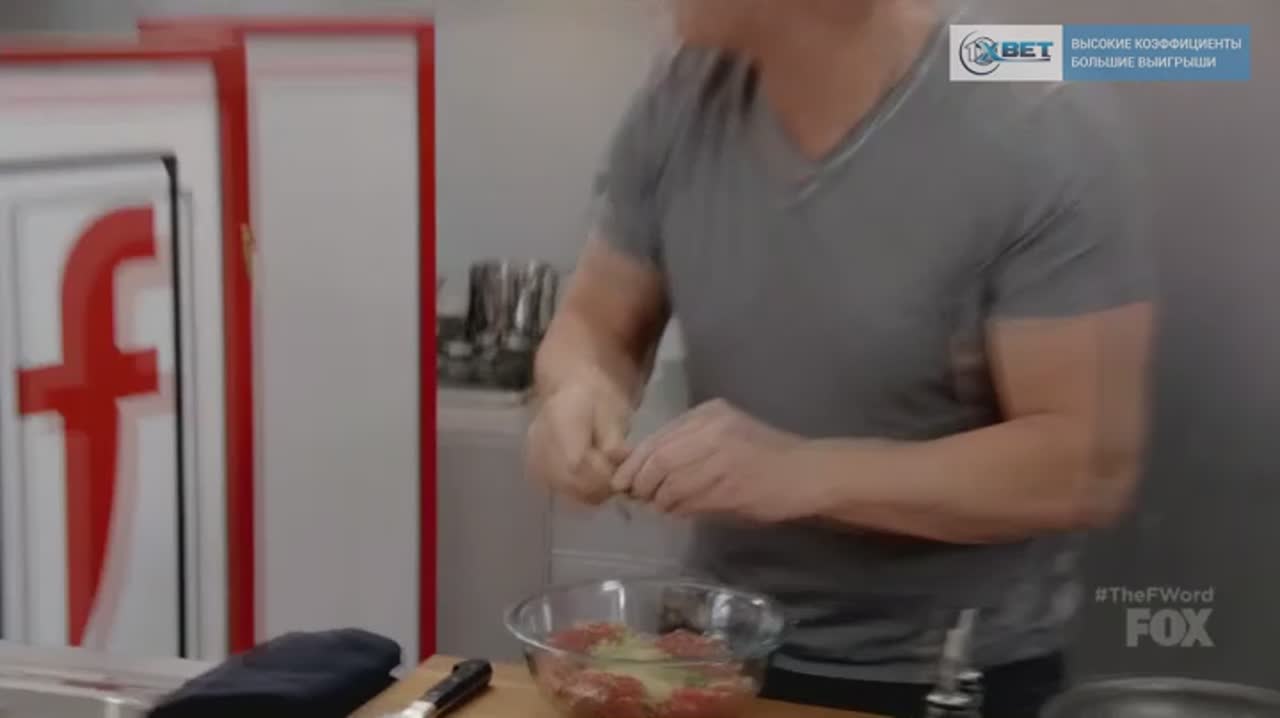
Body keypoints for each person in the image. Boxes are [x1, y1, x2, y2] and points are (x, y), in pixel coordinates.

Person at [525, 1, 1155, 716]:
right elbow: (595, 324)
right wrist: (577, 392)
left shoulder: (1037, 114)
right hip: (717, 658)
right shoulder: (682, 92)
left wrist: (803, 472)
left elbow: (1086, 464)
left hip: (943, 679)